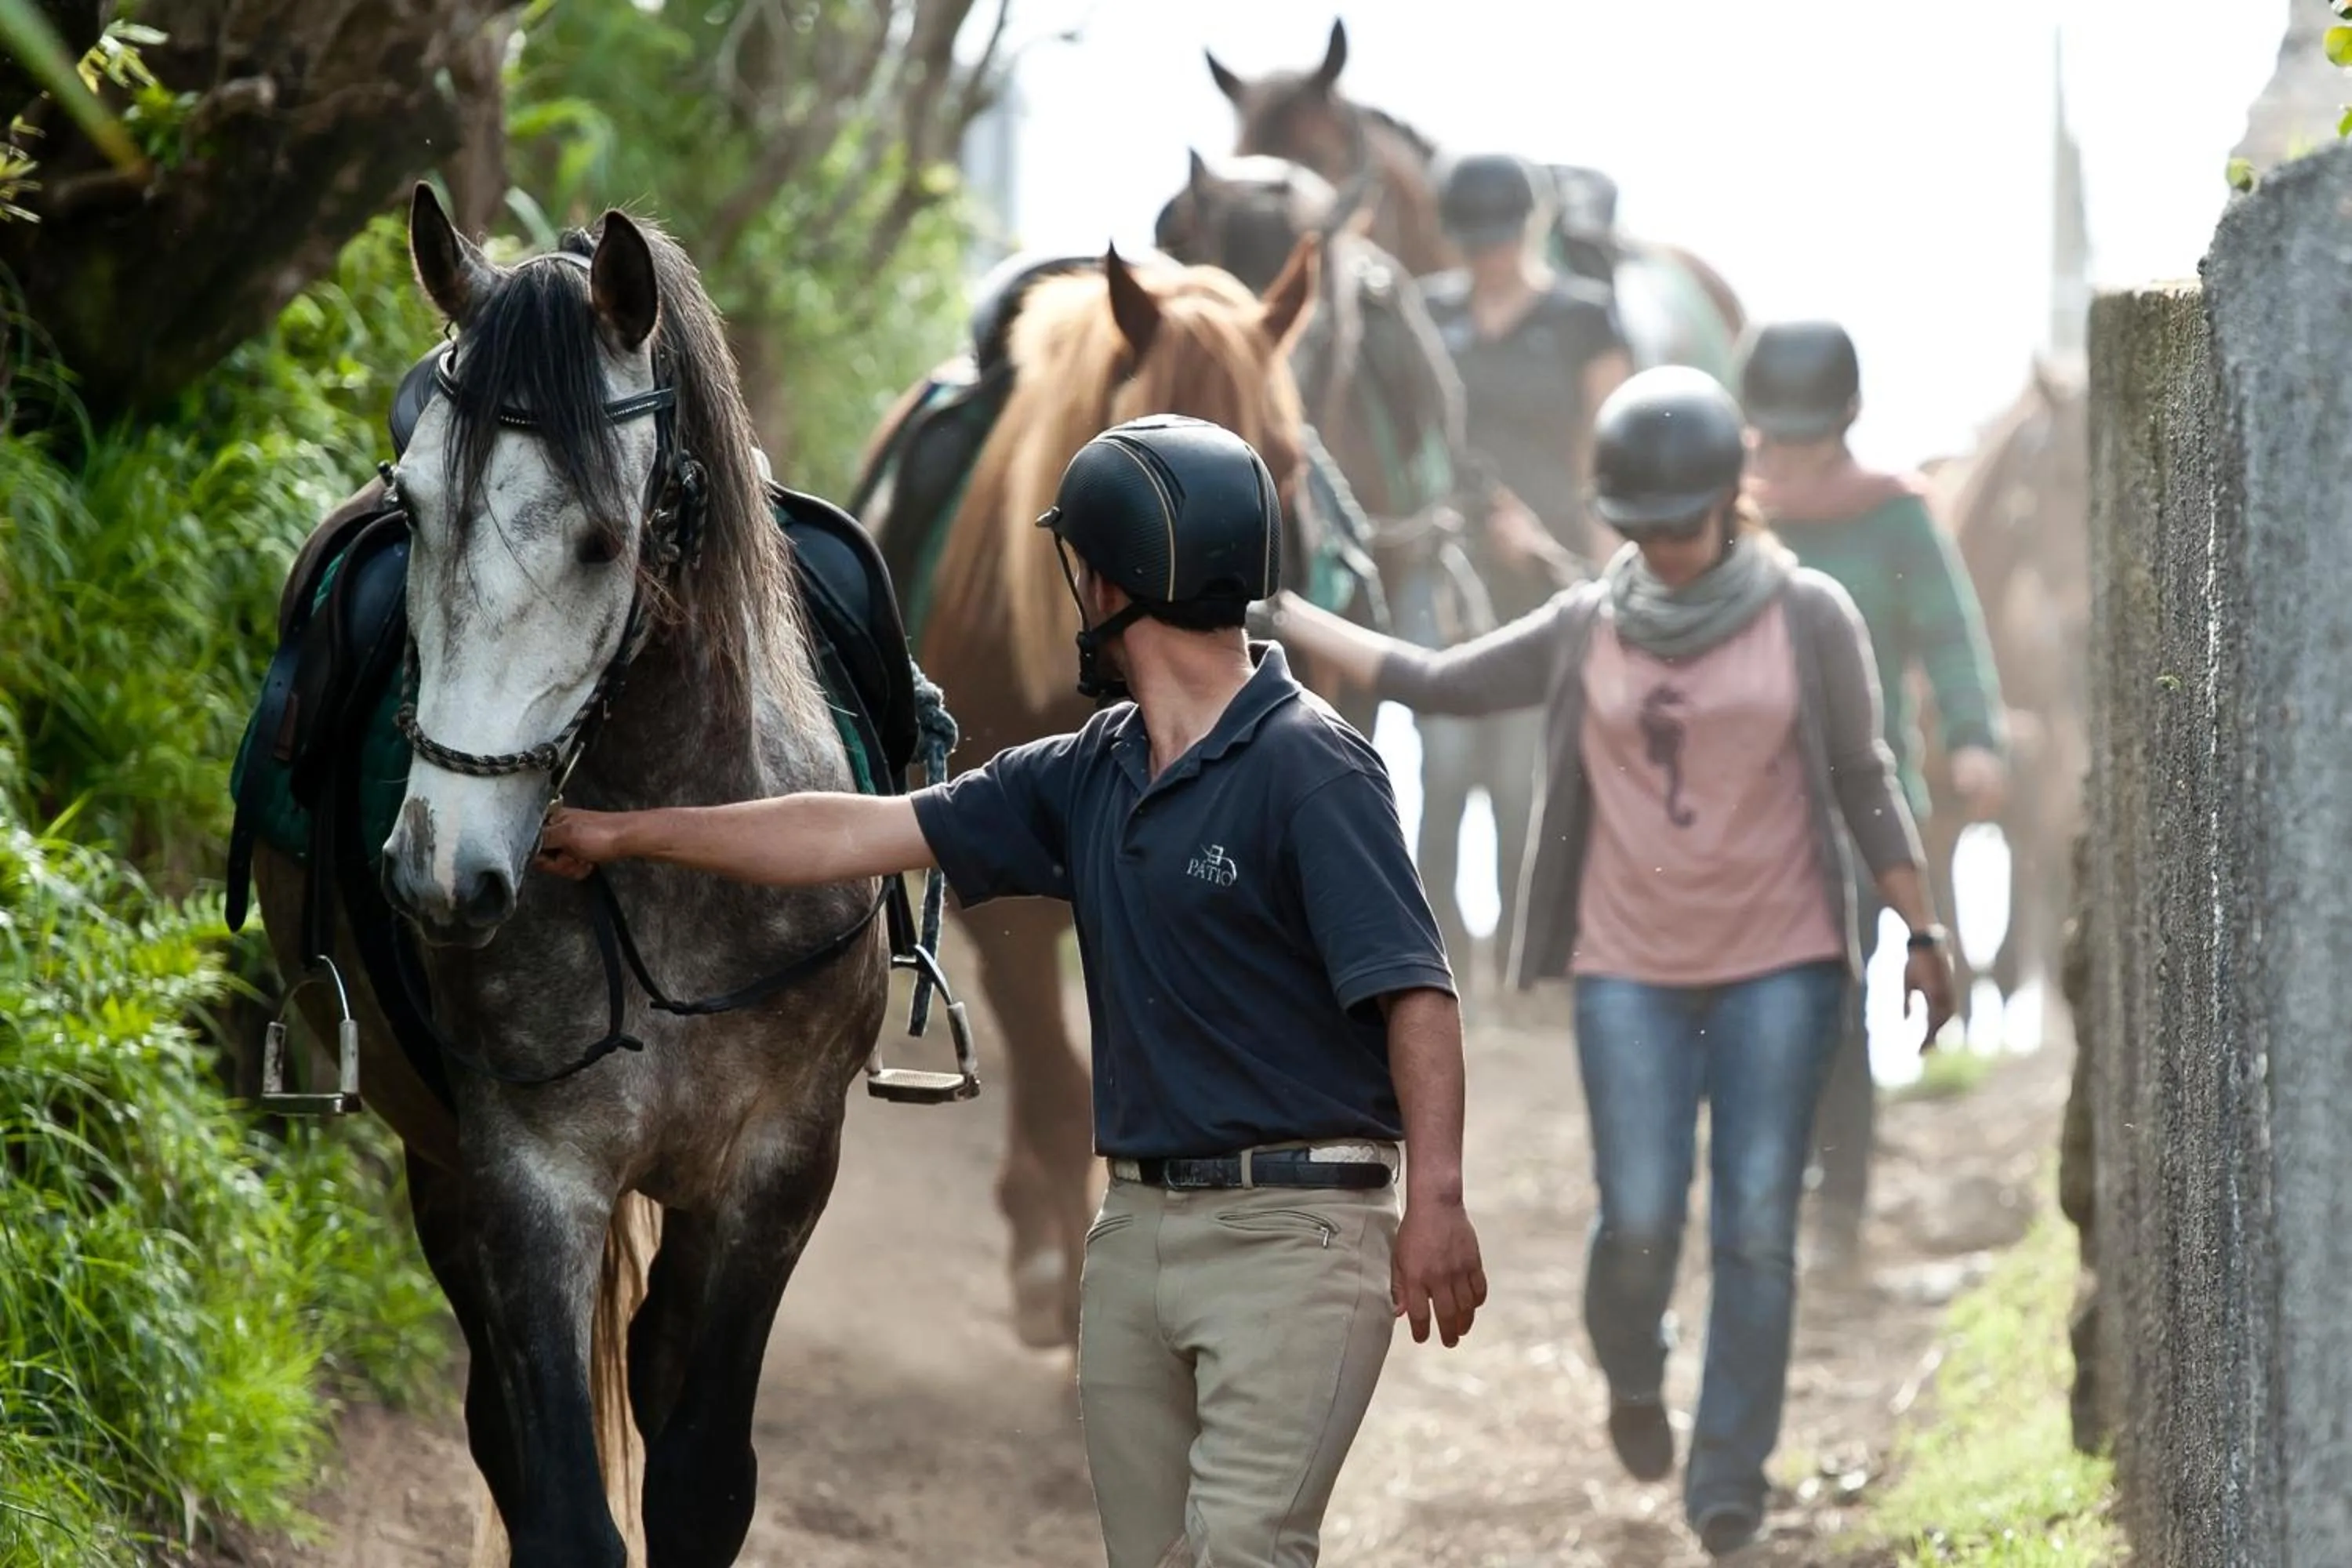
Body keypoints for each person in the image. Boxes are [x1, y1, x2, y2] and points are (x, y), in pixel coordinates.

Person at [537, 415, 1486, 1568]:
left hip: (1299, 1236)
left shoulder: (1313, 767)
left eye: (1080, 568)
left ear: (1114, 580)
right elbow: (853, 831)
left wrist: (1435, 1197)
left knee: (1245, 1548)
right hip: (1135, 1234)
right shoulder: (1089, 772)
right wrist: (629, 832)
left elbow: (1415, 991)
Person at [1265, 368, 1957, 1559]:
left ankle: (1728, 1486)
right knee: (1638, 1215)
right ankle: (1635, 1373)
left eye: (1682, 525)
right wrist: (1274, 610)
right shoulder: (1590, 621)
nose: (1668, 551)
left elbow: (1864, 778)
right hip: (1629, 969)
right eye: (1642, 529)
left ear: (1729, 503)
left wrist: (1922, 930)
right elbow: (1437, 683)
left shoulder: (1810, 617)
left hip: (1781, 964)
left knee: (1753, 1223)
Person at [1739, 320, 2007, 1279]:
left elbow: (1949, 633)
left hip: (1854, 802)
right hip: (1732, 808)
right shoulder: (1725, 508)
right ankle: (1756, 1195)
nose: (1795, 452)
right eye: (1779, 431)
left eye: (1808, 432)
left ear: (1846, 419)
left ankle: (1838, 1208)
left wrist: (1976, 734)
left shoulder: (1894, 516)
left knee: (1839, 1002)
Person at [1414, 152, 1634, 993]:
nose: (1490, 255)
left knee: (1518, 778)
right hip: (1446, 569)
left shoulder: (1584, 318)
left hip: (1544, 572)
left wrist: (1579, 553)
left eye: (1501, 238)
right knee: (1440, 767)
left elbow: (1602, 442)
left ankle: (1520, 963)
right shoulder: (1430, 311)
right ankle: (1438, 966)